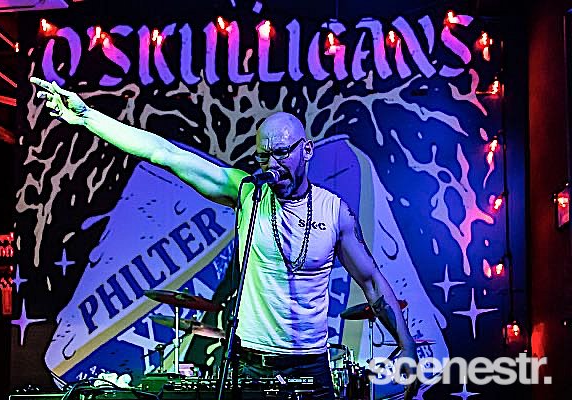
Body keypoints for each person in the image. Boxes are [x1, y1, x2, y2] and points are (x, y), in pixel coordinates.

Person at [30, 77, 420, 399]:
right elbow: (165, 153)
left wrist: (406, 345)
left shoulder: (335, 213)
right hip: (251, 365)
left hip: (310, 368)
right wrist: (88, 117)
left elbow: (372, 281)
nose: (272, 165)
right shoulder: (247, 193)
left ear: (306, 150)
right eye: (264, 156)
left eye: (282, 154)